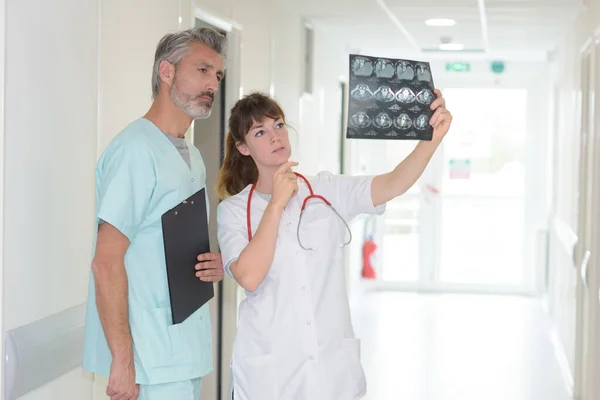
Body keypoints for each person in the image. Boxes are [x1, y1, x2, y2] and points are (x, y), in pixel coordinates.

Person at [216, 91, 452, 400]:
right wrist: (275, 205)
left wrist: (431, 140)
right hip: (270, 372)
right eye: (260, 132)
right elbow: (248, 276)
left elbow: (392, 183)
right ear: (243, 147)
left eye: (279, 125)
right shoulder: (234, 210)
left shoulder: (325, 188)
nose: (275, 137)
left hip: (329, 368)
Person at [83, 27, 227, 400]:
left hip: (183, 352)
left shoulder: (191, 157)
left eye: (218, 75)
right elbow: (106, 262)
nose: (213, 83)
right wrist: (123, 360)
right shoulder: (135, 150)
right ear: (167, 72)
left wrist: (208, 264)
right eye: (202, 70)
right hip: (148, 357)